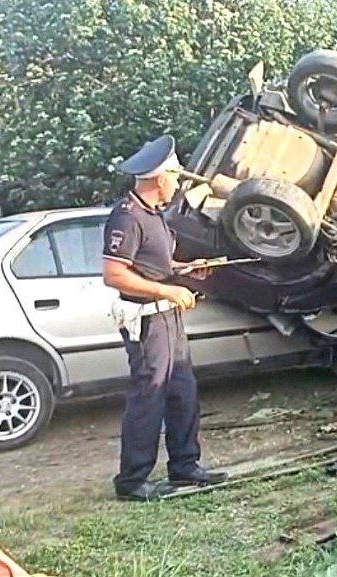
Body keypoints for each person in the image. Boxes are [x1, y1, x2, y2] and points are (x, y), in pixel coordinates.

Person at [102, 135, 228, 501]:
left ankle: (185, 466)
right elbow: (115, 274)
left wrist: (188, 271)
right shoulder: (126, 217)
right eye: (175, 176)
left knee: (182, 391)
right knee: (149, 395)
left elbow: (157, 266)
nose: (178, 184)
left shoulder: (154, 215)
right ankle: (132, 481)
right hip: (146, 321)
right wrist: (169, 291)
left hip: (169, 318)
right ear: (160, 178)